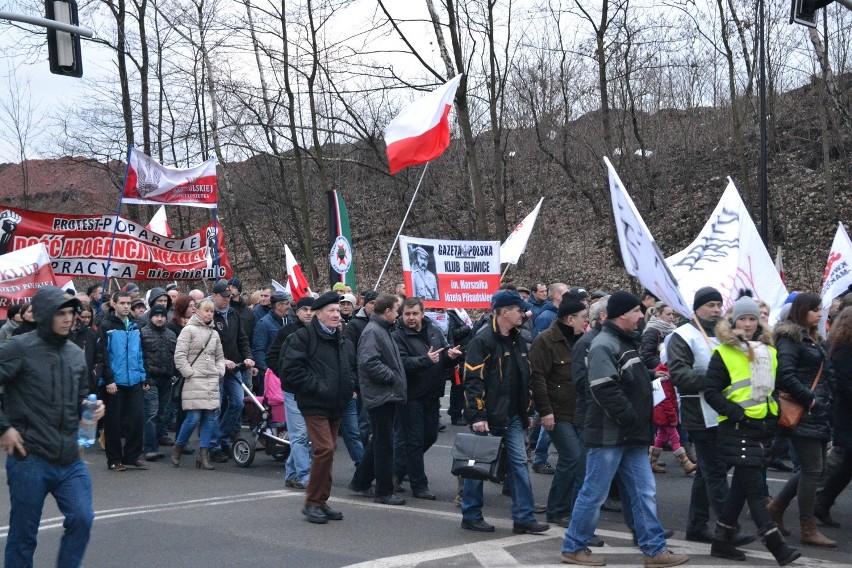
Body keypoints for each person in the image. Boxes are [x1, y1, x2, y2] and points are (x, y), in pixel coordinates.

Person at [561, 291, 687, 568]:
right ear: (622, 315)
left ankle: (654, 551)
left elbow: (627, 378)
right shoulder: (604, 344)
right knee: (594, 493)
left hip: (629, 435)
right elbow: (604, 388)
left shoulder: (622, 341)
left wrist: (652, 375)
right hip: (610, 435)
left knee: (644, 492)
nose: (642, 316)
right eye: (637, 311)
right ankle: (573, 547)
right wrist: (632, 418)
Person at [0, 286, 105, 568]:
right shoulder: (19, 348)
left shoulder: (74, 352)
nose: (68, 318)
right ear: (45, 315)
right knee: (24, 535)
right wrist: (3, 427)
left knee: (82, 518)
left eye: (72, 312)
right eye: (61, 313)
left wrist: (91, 409)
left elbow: (82, 394)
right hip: (29, 457)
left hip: (69, 458)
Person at [703, 297, 801, 565]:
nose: (747, 324)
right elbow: (711, 391)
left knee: (740, 487)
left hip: (764, 427)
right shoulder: (723, 351)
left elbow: (774, 388)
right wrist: (738, 413)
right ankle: (777, 547)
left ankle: (721, 540)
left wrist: (777, 414)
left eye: (752, 319)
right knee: (756, 490)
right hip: (737, 427)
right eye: (742, 319)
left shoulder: (769, 351)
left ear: (759, 321)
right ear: (734, 321)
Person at [460, 290, 549, 535]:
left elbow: (525, 378)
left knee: (520, 465)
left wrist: (527, 410)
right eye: (518, 309)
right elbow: (472, 380)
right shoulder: (483, 339)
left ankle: (524, 518)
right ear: (503, 312)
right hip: (488, 416)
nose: (523, 312)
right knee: (476, 466)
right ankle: (471, 514)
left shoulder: (519, 339)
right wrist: (478, 415)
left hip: (513, 416)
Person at [668, 287, 750, 544]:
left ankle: (696, 525)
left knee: (707, 472)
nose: (716, 310)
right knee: (715, 473)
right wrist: (715, 380)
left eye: (718, 305)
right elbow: (680, 375)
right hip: (699, 415)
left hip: (724, 413)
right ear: (696, 308)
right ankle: (728, 529)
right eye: (710, 305)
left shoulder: (724, 336)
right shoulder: (682, 336)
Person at [281, 291, 356, 524]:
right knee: (324, 449)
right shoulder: (302, 337)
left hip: (336, 404)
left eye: (338, 310)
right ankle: (312, 502)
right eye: (332, 311)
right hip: (314, 402)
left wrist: (350, 386)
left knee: (329, 450)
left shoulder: (340, 337)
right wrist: (319, 387)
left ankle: (321, 501)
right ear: (318, 314)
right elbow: (290, 372)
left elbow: (350, 367)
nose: (337, 314)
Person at [768, 292, 836, 547]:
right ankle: (808, 528)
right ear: (802, 311)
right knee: (812, 470)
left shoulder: (812, 339)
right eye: (815, 309)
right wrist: (811, 399)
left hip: (816, 412)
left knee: (813, 469)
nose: (820, 313)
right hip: (802, 410)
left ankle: (776, 507)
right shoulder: (790, 338)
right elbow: (784, 375)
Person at [393, 296, 462, 500]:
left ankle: (396, 470)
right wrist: (426, 360)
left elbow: (442, 353)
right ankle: (419, 485)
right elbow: (402, 363)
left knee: (430, 436)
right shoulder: (397, 335)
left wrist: (450, 357)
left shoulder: (433, 330)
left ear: (423, 314)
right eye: (407, 314)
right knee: (413, 441)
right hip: (410, 395)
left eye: (415, 314)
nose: (411, 318)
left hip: (432, 393)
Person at [529, 291, 586, 528]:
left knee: (581, 461)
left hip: (580, 410)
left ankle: (573, 508)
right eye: (583, 316)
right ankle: (557, 510)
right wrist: (545, 411)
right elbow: (537, 377)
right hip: (557, 411)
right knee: (571, 457)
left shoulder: (583, 340)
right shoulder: (545, 340)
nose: (586, 321)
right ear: (569, 319)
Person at [349, 293, 407, 505]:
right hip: (381, 394)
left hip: (384, 394)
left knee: (380, 441)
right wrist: (391, 376)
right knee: (384, 444)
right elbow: (368, 362)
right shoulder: (374, 331)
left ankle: (361, 481)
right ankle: (384, 491)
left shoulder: (382, 329)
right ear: (388, 311)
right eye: (397, 309)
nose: (399, 314)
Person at [96, 290, 148, 471]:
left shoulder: (136, 325)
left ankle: (132, 456)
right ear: (114, 304)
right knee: (113, 423)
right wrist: (108, 379)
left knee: (136, 419)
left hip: (134, 380)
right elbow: (103, 355)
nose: (126, 306)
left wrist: (143, 376)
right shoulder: (106, 326)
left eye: (128, 303)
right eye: (123, 303)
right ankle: (114, 458)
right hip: (114, 382)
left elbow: (140, 354)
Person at [172, 299, 225, 469]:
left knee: (209, 418)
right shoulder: (188, 330)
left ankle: (204, 455)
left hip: (211, 379)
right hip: (195, 379)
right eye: (206, 311)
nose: (209, 314)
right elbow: (179, 356)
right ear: (197, 312)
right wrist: (190, 373)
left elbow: (220, 356)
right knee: (193, 417)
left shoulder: (214, 333)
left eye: (211, 311)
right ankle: (178, 447)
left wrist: (219, 371)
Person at [268, 296, 315, 489]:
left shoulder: (318, 332)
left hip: (312, 390)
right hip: (293, 391)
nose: (309, 313)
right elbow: (271, 356)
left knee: (309, 436)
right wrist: (286, 375)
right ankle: (305, 476)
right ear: (297, 312)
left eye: (312, 310)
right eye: (304, 309)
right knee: (300, 434)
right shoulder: (287, 332)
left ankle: (291, 472)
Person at [209, 279, 255, 462]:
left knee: (238, 403)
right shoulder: (209, 315)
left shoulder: (234, 314)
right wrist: (221, 360)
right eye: (224, 296)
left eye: (230, 296)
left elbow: (242, 339)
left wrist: (248, 357)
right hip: (216, 368)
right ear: (215, 296)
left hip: (234, 367)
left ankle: (223, 437)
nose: (228, 299)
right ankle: (214, 446)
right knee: (216, 407)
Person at [815, 306, 852, 527]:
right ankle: (820, 501)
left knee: (847, 465)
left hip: (846, 414)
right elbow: (845, 386)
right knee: (846, 463)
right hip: (846, 415)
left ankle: (822, 502)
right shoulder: (843, 350)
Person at [140, 304, 178, 461]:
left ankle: (153, 443)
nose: (160, 318)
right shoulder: (142, 333)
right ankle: (150, 448)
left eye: (162, 316)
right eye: (156, 316)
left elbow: (175, 356)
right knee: (151, 413)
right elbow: (139, 357)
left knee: (161, 414)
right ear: (151, 317)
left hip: (167, 379)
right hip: (150, 379)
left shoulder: (171, 334)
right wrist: (144, 378)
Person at [649, 364, 696, 475]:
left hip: (660, 412)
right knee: (675, 437)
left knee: (661, 437)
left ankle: (652, 461)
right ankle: (686, 463)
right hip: (665, 414)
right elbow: (667, 401)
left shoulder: (661, 374)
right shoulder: (666, 378)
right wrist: (672, 418)